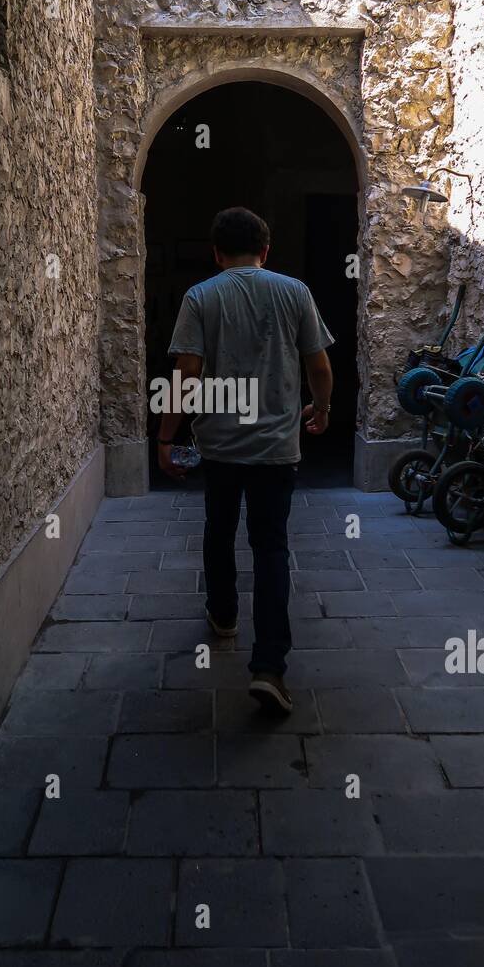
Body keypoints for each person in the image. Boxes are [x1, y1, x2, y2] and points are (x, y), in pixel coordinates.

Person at [158, 206, 334, 713]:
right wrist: (320, 412)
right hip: (277, 449)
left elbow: (186, 375)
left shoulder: (200, 297)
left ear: (216, 253)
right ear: (266, 249)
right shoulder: (295, 292)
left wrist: (166, 438)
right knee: (271, 548)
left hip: (220, 446)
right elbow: (319, 364)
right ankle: (269, 668)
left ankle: (223, 614)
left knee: (219, 529)